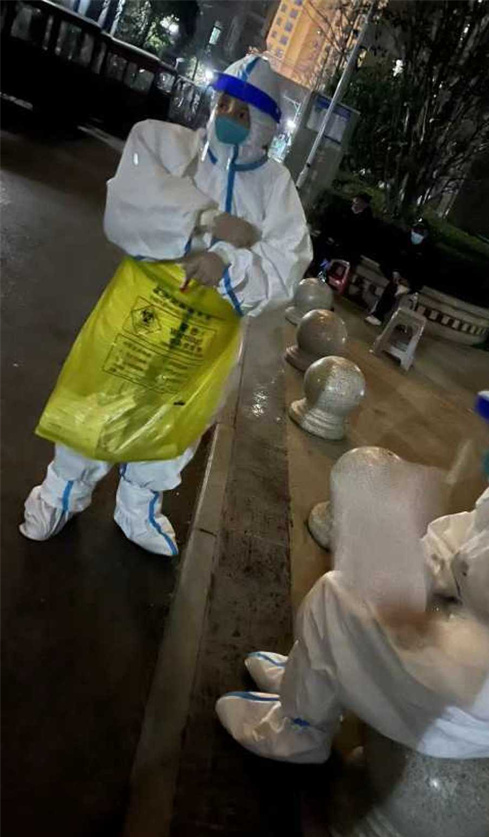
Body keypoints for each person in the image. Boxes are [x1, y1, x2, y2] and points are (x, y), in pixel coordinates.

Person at [216, 369, 489, 763]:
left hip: (479, 714)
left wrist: (421, 629)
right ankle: (306, 676)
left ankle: (300, 731)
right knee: (355, 591)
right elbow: (455, 543)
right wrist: (399, 568)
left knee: (335, 596)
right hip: (471, 653)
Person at [20, 55, 312, 556]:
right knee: (104, 392)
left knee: (178, 414)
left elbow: (288, 261)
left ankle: (139, 506)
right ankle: (62, 492)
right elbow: (131, 200)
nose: (229, 116)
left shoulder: (275, 187)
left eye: (244, 112)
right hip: (142, 310)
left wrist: (227, 264)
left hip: (207, 336)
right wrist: (203, 220)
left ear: (264, 125)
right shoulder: (175, 149)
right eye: (225, 103)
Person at [365, 218, 431, 326]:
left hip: (411, 281)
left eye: (421, 232)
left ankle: (378, 316)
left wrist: (409, 282)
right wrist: (395, 271)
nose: (417, 235)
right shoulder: (403, 240)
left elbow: (423, 273)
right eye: (416, 231)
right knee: (394, 284)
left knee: (393, 287)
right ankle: (378, 314)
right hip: (396, 273)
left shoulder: (427, 251)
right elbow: (392, 257)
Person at [308, 192, 374, 277]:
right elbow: (329, 221)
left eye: (362, 202)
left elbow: (358, 237)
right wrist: (329, 235)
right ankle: (310, 268)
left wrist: (341, 243)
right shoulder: (341, 208)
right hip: (328, 238)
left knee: (327, 258)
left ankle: (320, 274)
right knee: (318, 249)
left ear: (365, 205)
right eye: (357, 200)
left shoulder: (365, 220)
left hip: (343, 247)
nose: (358, 203)